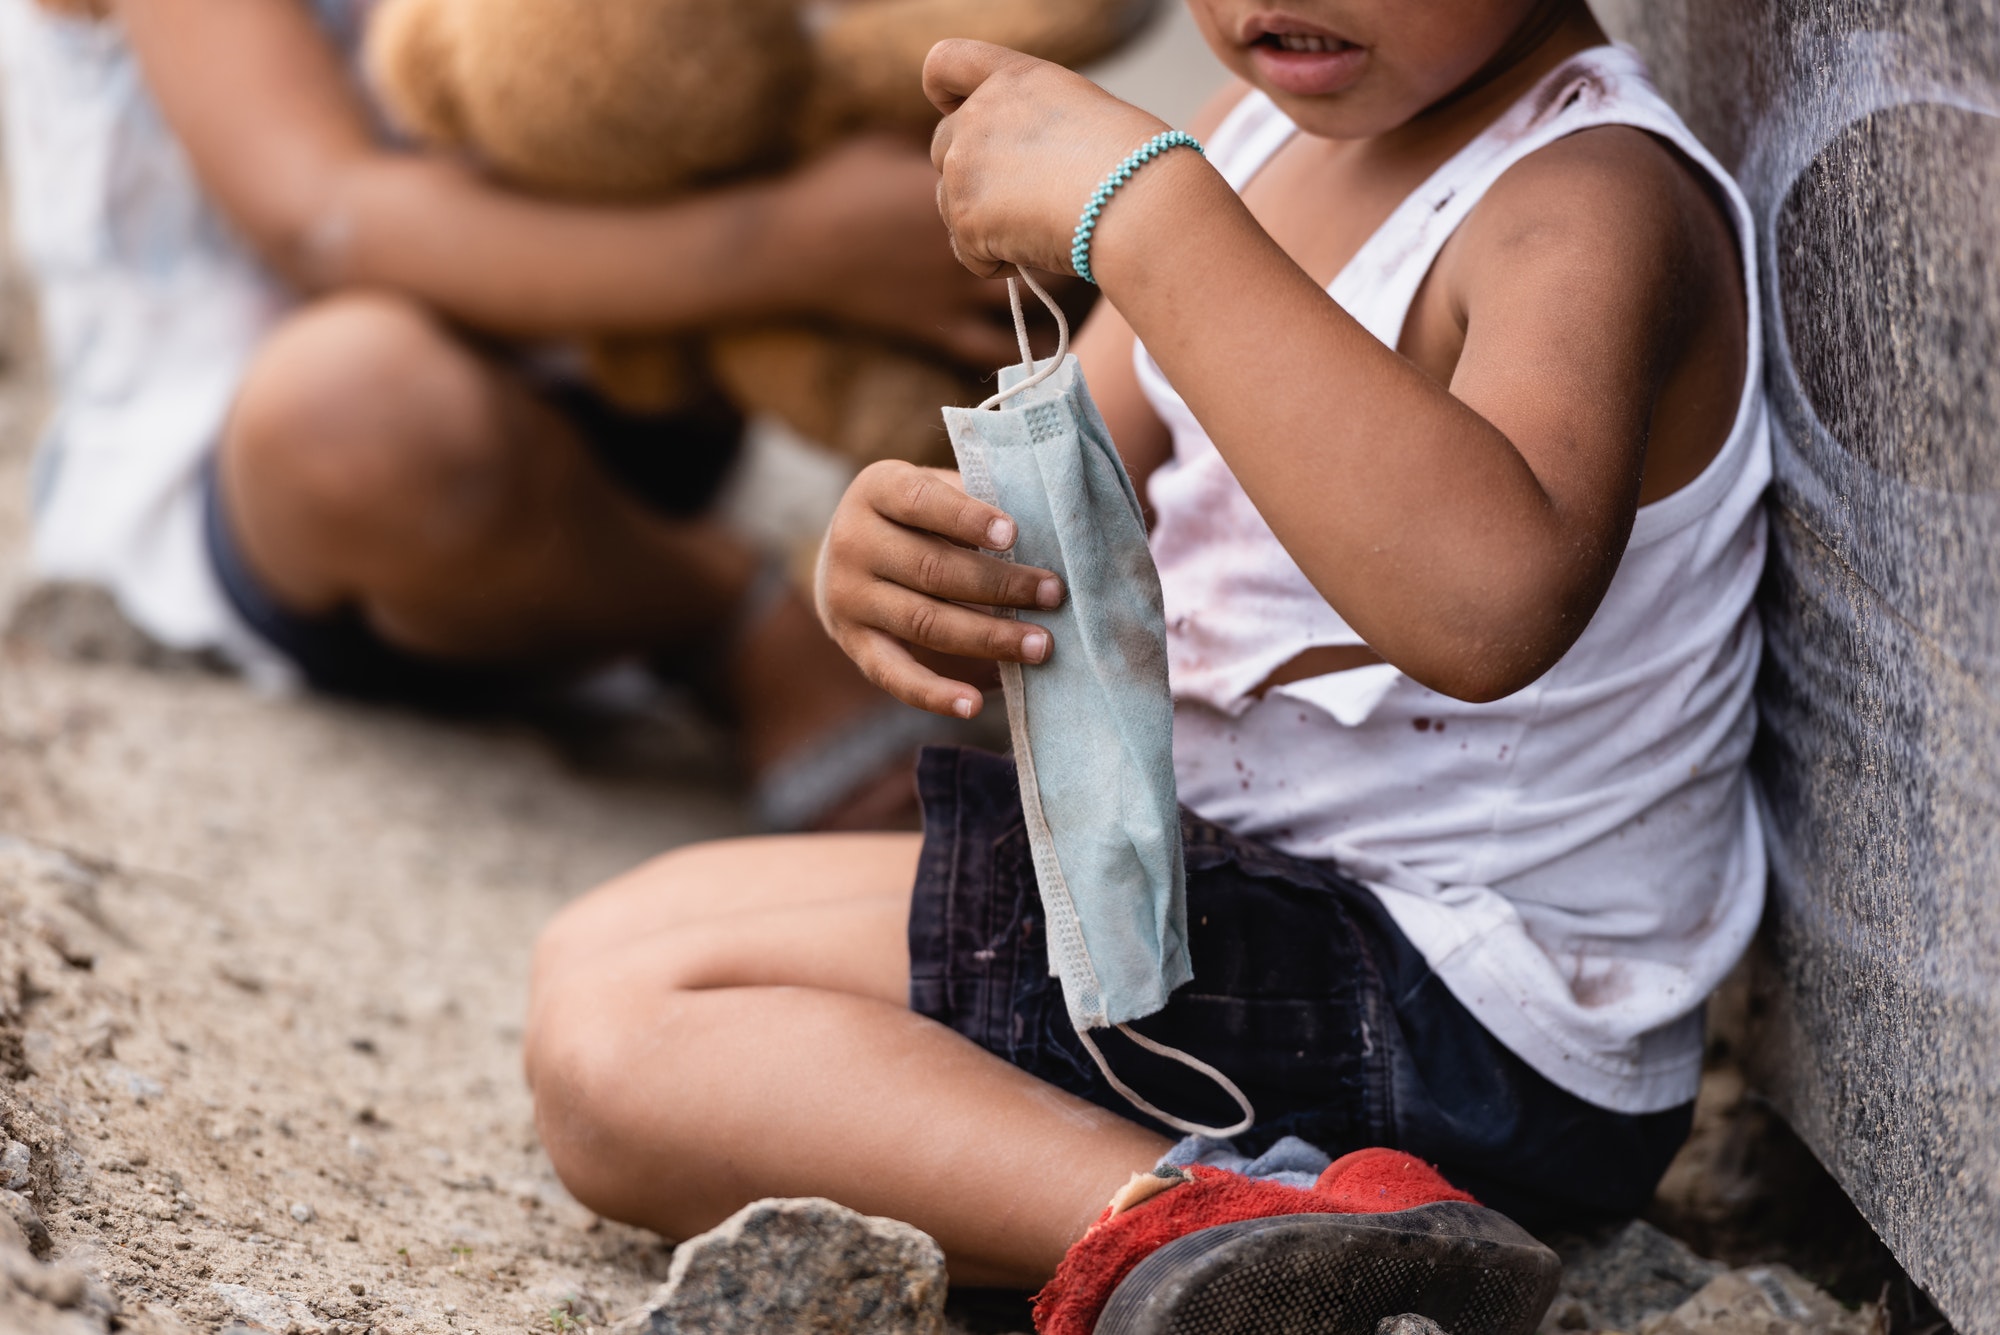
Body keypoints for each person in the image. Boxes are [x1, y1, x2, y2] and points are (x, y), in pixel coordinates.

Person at [525, 0, 1767, 1326]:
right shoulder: (1257, 142)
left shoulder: (1583, 200)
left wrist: (1158, 217)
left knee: (625, 1039)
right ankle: (1269, 1224)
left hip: (1466, 1010)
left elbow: (1482, 610)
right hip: (1255, 912)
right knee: (614, 953)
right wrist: (901, 558)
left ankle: (1223, 1231)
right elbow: (1054, 534)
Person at [0, 0, 1022, 827]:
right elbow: (324, 217)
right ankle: (727, 618)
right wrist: (805, 249)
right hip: (328, 485)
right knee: (358, 409)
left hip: (643, 394)